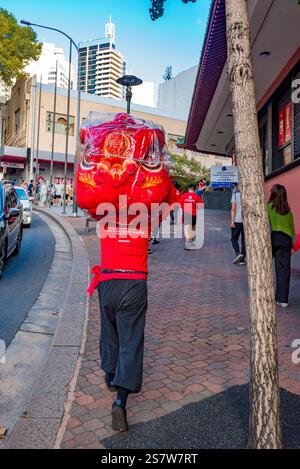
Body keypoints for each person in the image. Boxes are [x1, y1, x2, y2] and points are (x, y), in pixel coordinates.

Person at [268, 184, 295, 308]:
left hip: (273, 239)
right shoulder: (288, 211)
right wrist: (292, 245)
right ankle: (283, 299)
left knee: (265, 268)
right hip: (286, 240)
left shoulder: (268, 207)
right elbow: (292, 230)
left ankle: (266, 295)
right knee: (284, 270)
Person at [180, 184, 203, 250]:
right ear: (195, 189)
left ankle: (188, 241)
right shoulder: (197, 196)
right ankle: (192, 239)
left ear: (188, 189)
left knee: (187, 228)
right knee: (193, 227)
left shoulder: (183, 196)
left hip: (186, 213)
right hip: (194, 214)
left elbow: (180, 205)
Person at [231, 183, 246, 265]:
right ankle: (242, 259)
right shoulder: (248, 195)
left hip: (237, 220)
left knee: (234, 239)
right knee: (244, 240)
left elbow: (233, 209)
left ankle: (238, 253)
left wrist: (232, 221)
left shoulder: (235, 195)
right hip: (246, 222)